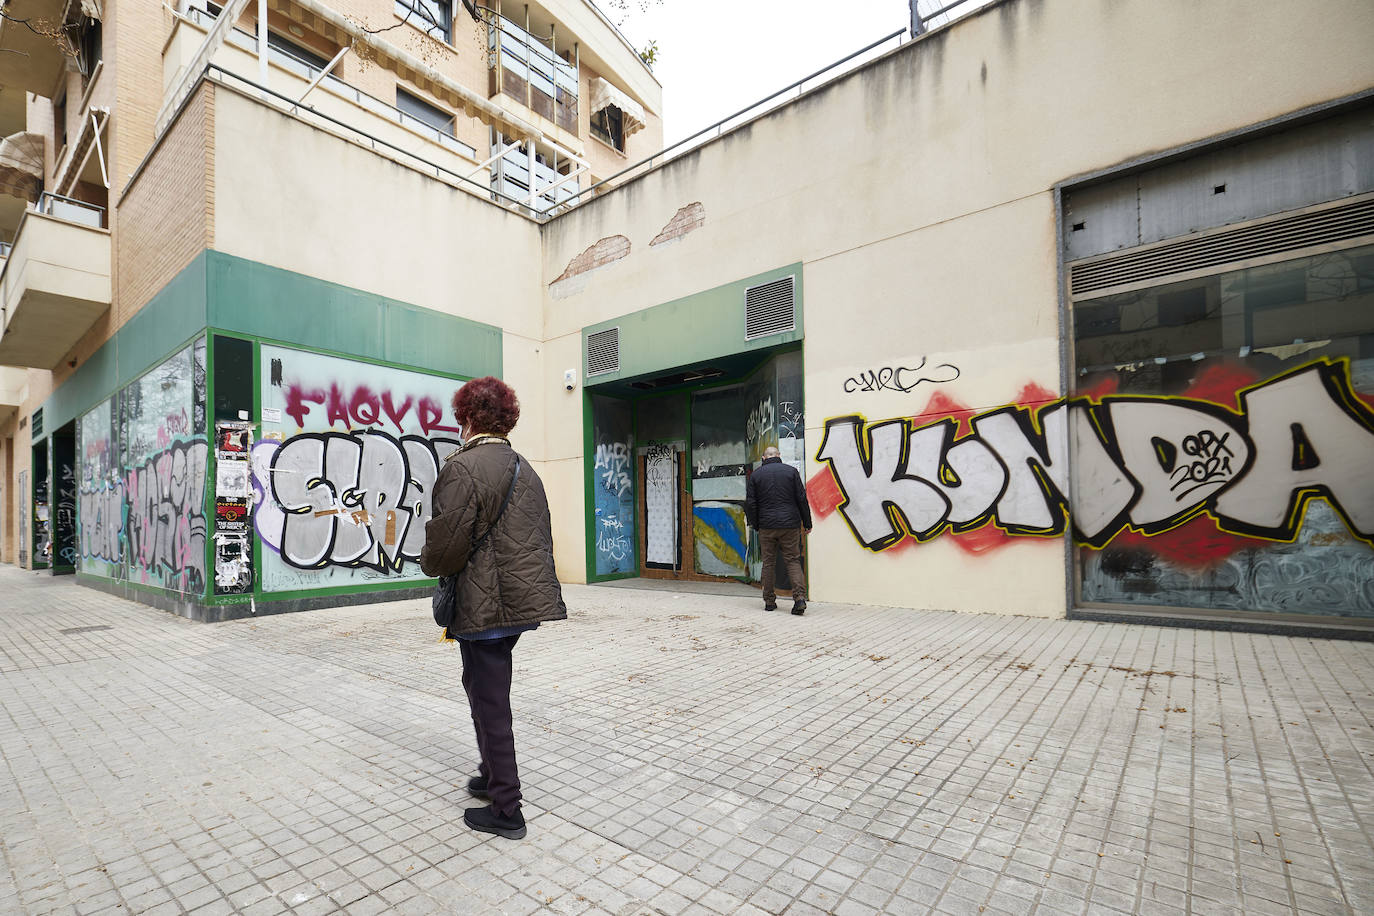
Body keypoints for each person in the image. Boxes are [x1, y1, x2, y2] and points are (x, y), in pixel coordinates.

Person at [420, 376, 566, 840]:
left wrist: (428, 560)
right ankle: (490, 773)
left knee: (490, 699)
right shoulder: (526, 468)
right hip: (518, 604)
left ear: (466, 418)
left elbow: (445, 550)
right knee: (482, 688)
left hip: (484, 607)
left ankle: (507, 809)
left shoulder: (462, 469)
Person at [744, 445, 812, 615]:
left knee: (768, 562)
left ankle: (769, 601)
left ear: (763, 457)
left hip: (767, 526)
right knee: (793, 560)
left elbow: (751, 503)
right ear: (779, 455)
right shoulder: (791, 472)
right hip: (790, 524)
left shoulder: (757, 475)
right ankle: (799, 599)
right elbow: (802, 499)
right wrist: (807, 522)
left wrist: (755, 524)